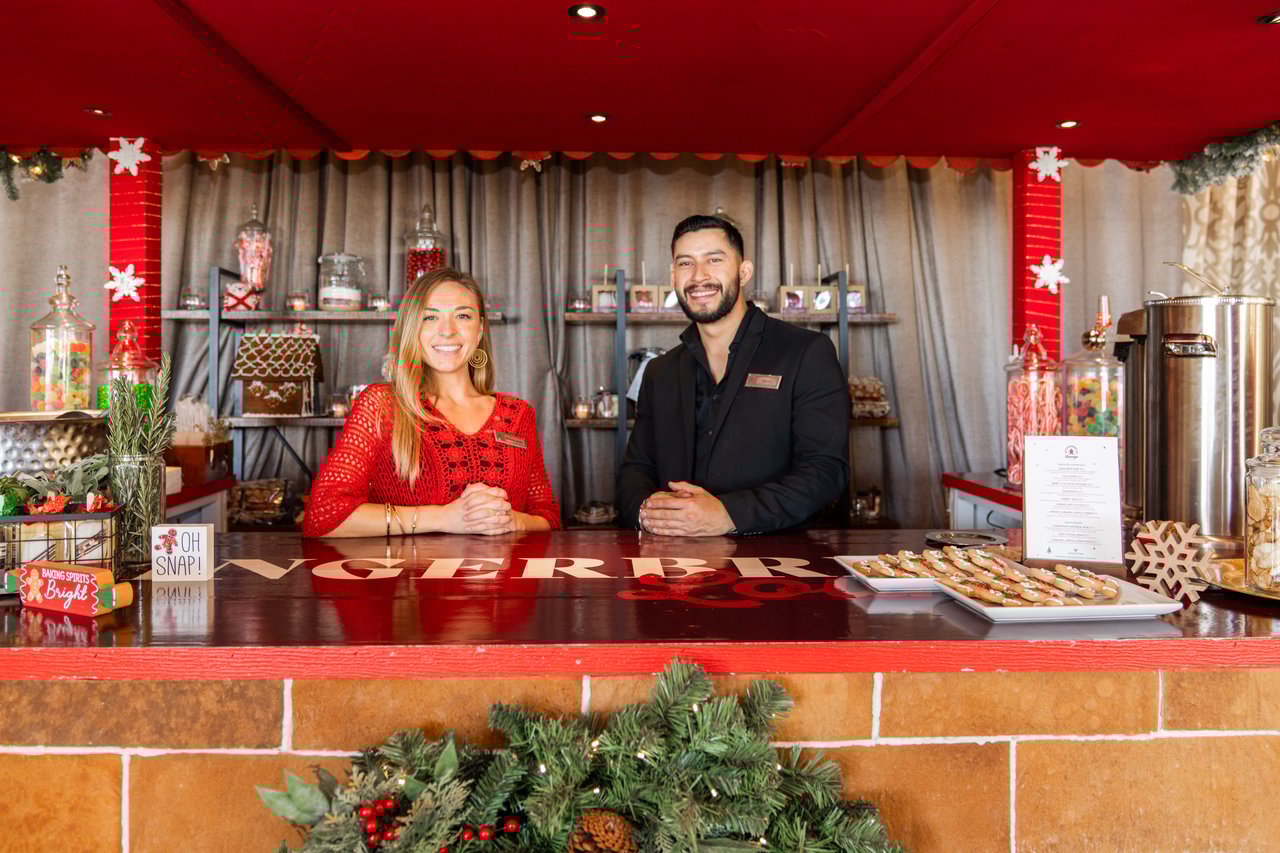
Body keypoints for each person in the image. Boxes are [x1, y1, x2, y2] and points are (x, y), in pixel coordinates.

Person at [616, 214, 849, 536]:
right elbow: (636, 469)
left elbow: (825, 470)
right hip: (677, 568)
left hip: (778, 565)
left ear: (744, 271)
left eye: (714, 260)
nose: (699, 276)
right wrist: (650, 509)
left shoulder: (804, 352)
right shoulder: (660, 371)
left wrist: (729, 515)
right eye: (685, 264)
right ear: (673, 275)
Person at [303, 267, 561, 537]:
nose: (447, 331)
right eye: (430, 317)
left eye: (462, 316)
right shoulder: (381, 406)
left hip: (502, 577)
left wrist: (514, 521)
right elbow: (323, 515)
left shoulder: (519, 414)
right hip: (411, 578)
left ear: (480, 329)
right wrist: (444, 518)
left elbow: (547, 517)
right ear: (413, 328)